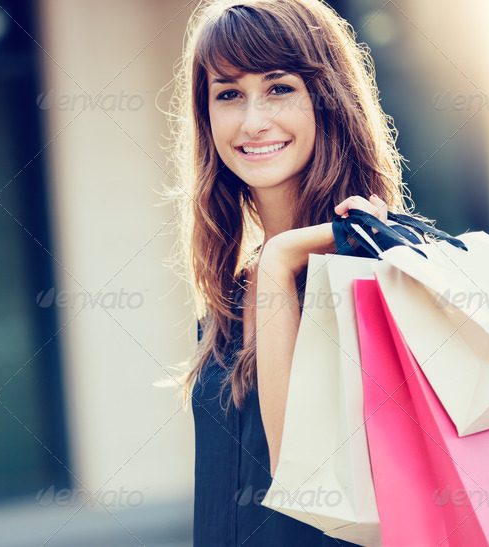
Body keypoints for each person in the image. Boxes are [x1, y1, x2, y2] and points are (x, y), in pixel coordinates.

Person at [162, 0, 409, 544]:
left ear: (327, 99)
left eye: (279, 88)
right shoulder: (228, 298)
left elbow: (299, 475)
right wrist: (273, 262)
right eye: (228, 94)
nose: (254, 121)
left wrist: (280, 261)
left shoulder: (373, 275)